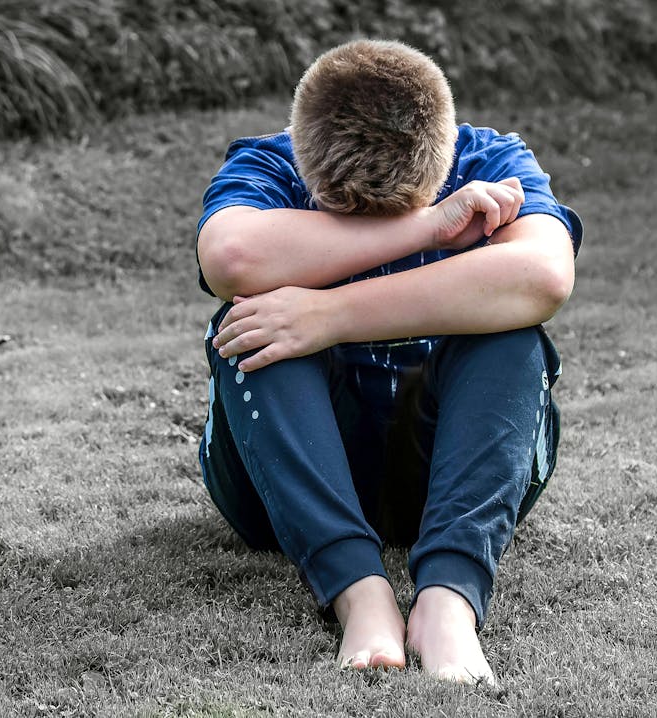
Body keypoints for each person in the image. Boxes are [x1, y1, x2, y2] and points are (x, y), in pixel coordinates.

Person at [194, 39, 582, 685]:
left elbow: (542, 277)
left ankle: (448, 599)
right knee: (251, 322)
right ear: (300, 153)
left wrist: (331, 314)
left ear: (447, 157)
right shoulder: (268, 162)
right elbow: (232, 260)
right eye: (343, 217)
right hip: (281, 487)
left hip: (449, 467)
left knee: (510, 329)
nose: (367, 230)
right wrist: (427, 226)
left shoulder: (491, 157)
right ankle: (358, 591)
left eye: (393, 213)